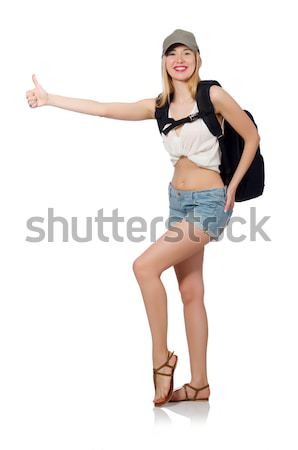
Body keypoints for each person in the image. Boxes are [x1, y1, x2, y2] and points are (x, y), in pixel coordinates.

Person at [25, 28, 260, 407]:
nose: (179, 59)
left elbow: (252, 137)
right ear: (164, 63)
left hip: (209, 202)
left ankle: (160, 360)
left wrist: (231, 188)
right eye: (171, 54)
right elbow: (104, 108)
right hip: (177, 201)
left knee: (144, 267)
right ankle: (199, 385)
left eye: (186, 52)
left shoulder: (212, 95)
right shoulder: (159, 106)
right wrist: (51, 99)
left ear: (198, 58)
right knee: (191, 292)